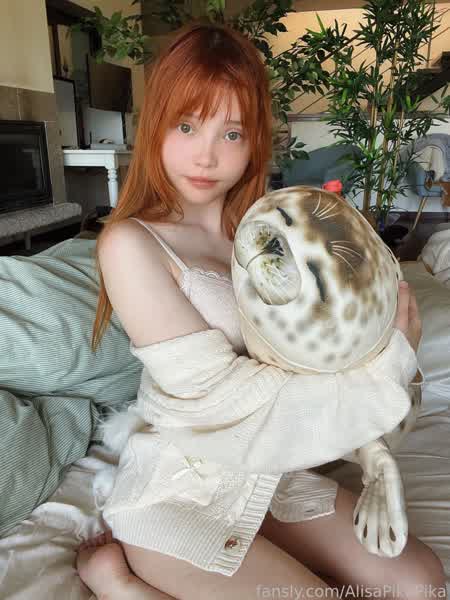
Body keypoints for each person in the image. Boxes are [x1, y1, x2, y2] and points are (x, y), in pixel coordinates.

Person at [77, 22, 447, 600]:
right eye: (186, 125)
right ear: (155, 126)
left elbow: (323, 352)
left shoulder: (266, 233)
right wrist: (387, 368)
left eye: (232, 133)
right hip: (181, 489)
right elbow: (220, 395)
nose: (206, 154)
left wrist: (378, 358)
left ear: (255, 141)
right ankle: (118, 583)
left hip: (271, 474)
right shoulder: (131, 244)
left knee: (422, 583)